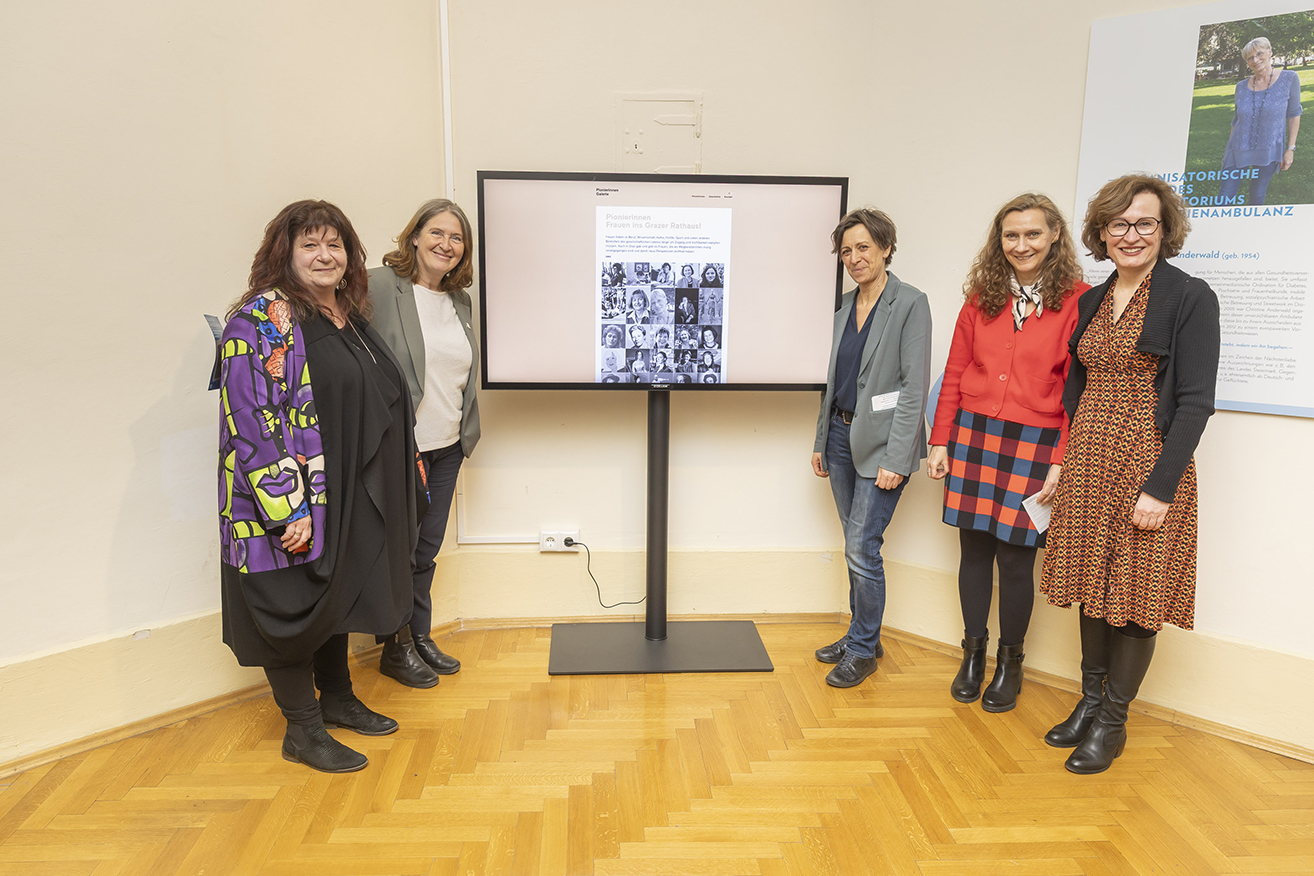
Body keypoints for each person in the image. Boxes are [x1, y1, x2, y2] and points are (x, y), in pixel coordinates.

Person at [219, 200, 421, 772]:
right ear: (284, 254)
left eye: (334, 244)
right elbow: (251, 419)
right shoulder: (262, 320)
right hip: (280, 502)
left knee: (333, 594)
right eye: (309, 244)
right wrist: (287, 509)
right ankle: (302, 730)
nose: (324, 255)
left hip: (338, 495)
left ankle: (336, 698)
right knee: (290, 607)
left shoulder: (348, 315)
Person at [1040, 174, 1219, 774]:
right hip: (1088, 462)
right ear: (1101, 233)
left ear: (1164, 230)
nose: (1132, 235)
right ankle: (1089, 703)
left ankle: (1113, 722)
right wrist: (1062, 466)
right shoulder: (1092, 300)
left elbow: (1195, 402)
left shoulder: (1191, 297)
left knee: (1137, 596)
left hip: (1148, 464)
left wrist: (1160, 489)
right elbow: (1076, 391)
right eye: (1119, 224)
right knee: (1093, 584)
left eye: (1145, 223)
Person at [926, 194, 1090, 712]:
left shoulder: (1081, 300)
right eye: (1011, 236)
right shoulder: (981, 297)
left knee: (1016, 560)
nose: (1022, 245)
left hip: (1036, 443)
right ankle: (972, 653)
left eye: (1033, 234)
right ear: (1000, 242)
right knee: (973, 550)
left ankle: (1009, 662)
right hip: (973, 435)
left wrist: (1060, 458)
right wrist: (939, 440)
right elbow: (953, 373)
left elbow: (1076, 391)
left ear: (1055, 237)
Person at [812, 208, 931, 688]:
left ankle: (862, 649)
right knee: (854, 545)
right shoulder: (842, 306)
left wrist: (897, 458)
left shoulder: (910, 303)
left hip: (883, 444)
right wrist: (821, 439)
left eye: (864, 247)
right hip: (840, 437)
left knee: (863, 547)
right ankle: (865, 633)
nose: (855, 258)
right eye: (846, 251)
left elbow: (912, 387)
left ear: (885, 248)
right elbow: (832, 382)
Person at [368, 198, 481, 688]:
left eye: (456, 238)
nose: (446, 245)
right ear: (414, 236)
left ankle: (417, 634)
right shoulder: (377, 286)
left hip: (448, 443)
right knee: (398, 548)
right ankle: (394, 648)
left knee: (425, 550)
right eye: (437, 233)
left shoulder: (460, 301)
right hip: (401, 446)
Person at [1219, 37, 1302, 206]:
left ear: (1270, 52)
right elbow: (1236, 120)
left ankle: (1250, 230)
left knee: (1257, 197)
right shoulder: (1241, 87)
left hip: (1269, 149)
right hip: (1238, 148)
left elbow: (1294, 114)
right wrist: (1228, 151)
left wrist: (1290, 149)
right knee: (1224, 198)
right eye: (1250, 58)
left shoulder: (1290, 79)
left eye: (1259, 54)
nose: (1255, 60)